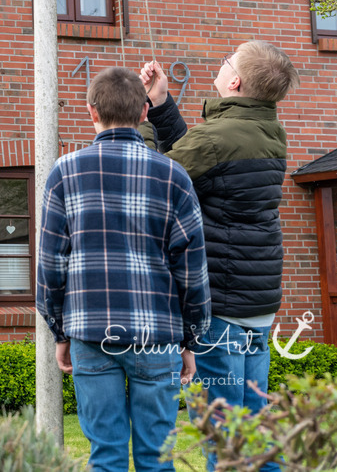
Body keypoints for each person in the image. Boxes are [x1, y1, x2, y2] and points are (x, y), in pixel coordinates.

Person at [37, 66, 211, 472]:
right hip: (158, 335)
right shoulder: (173, 175)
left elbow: (49, 265)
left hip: (90, 332)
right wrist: (191, 339)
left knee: (107, 457)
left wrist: (59, 330)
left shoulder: (65, 173)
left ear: (91, 112)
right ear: (145, 114)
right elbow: (192, 269)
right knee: (157, 457)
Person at [140, 41, 299, 472]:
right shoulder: (267, 131)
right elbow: (204, 160)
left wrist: (141, 122)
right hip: (256, 305)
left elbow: (156, 180)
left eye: (228, 59)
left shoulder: (219, 137)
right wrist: (162, 104)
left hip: (221, 307)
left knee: (222, 431)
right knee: (256, 430)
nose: (222, 61)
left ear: (234, 81)